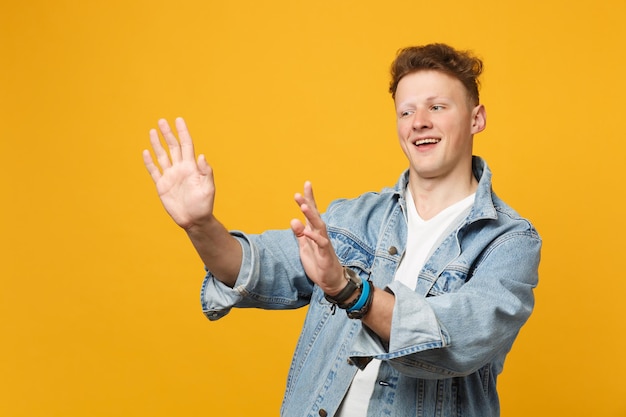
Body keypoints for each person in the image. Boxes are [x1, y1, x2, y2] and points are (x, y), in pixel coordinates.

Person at [142, 43, 541, 417]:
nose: (420, 122)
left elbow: (458, 338)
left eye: (437, 107)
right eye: (406, 112)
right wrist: (200, 225)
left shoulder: (507, 241)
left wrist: (350, 290)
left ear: (476, 118)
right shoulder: (350, 219)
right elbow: (253, 268)